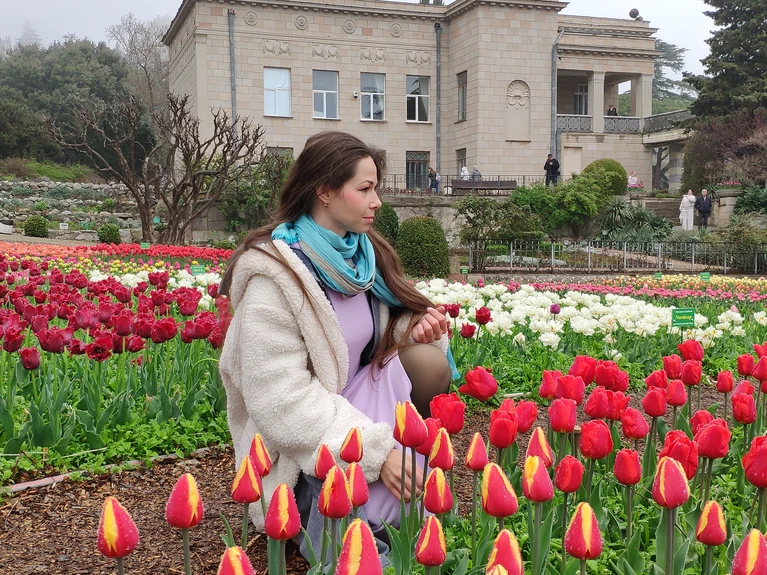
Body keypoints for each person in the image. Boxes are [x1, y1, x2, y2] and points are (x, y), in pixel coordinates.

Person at [218, 131, 453, 568]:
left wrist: (415, 325)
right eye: (365, 189)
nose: (377, 201)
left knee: (429, 362)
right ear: (324, 192)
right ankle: (343, 522)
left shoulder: (364, 256)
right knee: (366, 538)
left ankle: (391, 497)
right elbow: (281, 399)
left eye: (375, 188)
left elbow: (379, 330)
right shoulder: (276, 277)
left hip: (358, 406)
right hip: (304, 437)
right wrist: (377, 453)